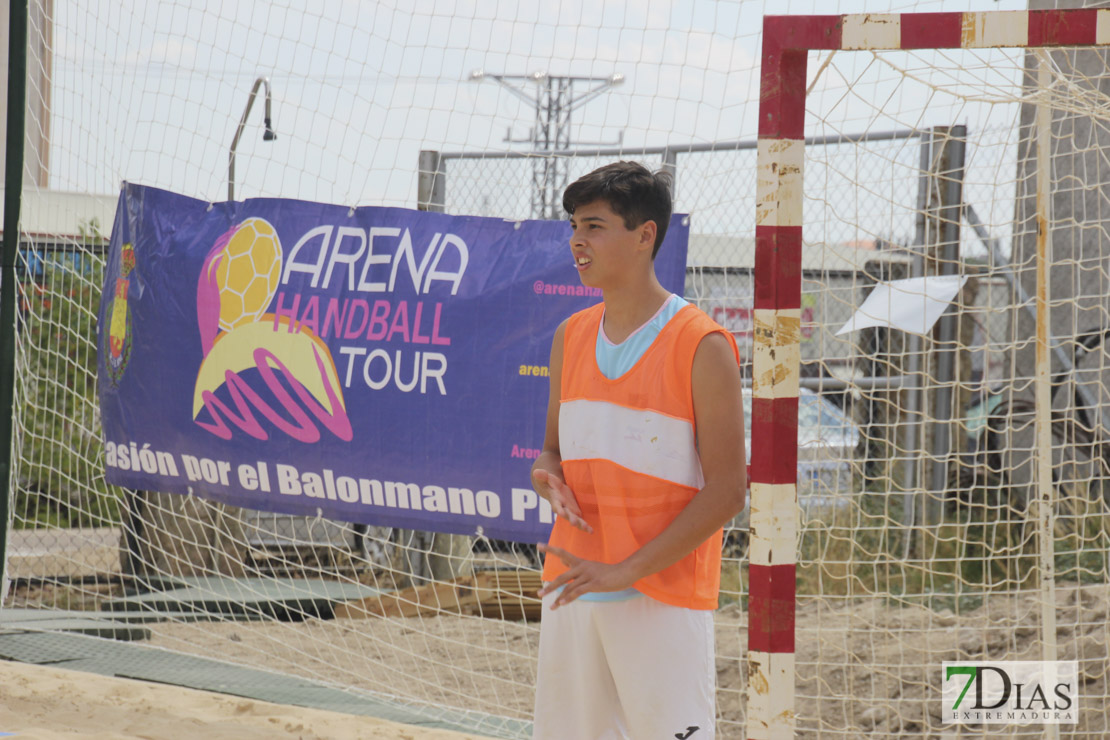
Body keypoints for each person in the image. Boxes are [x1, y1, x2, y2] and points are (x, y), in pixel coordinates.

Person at [529, 161, 747, 739]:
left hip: (661, 594)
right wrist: (546, 477)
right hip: (573, 583)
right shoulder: (570, 335)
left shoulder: (701, 344)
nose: (578, 239)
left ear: (645, 234)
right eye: (574, 225)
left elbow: (729, 492)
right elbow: (549, 453)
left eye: (595, 226)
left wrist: (624, 569)